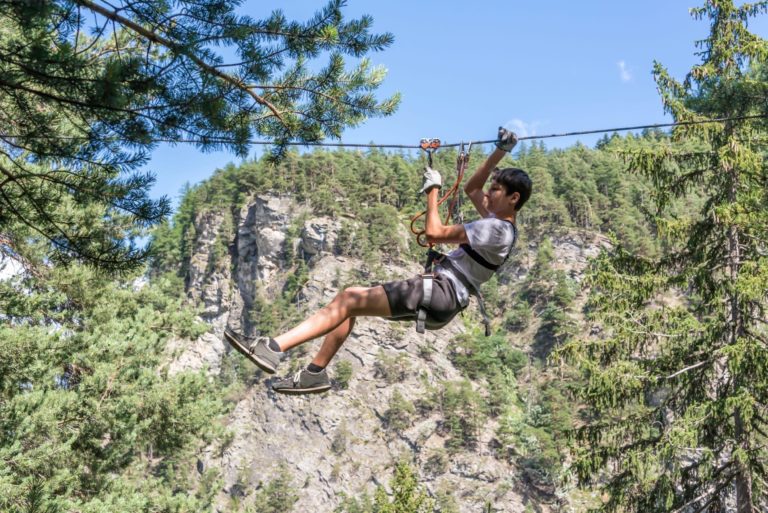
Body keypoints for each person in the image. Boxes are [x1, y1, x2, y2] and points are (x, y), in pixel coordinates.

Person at [223, 127, 532, 394]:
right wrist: (499, 152)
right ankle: (314, 374)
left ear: (513, 198)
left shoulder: (496, 229)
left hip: (441, 291)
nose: (488, 194)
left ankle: (273, 348)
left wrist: (433, 190)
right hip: (443, 299)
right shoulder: (500, 227)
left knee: (348, 299)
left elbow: (434, 232)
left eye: (497, 189)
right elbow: (471, 188)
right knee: (350, 304)